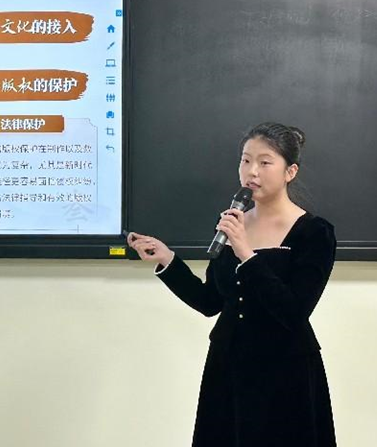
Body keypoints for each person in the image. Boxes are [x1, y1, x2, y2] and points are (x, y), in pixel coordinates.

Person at [127, 122, 336, 447]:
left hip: (284, 371)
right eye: (245, 160)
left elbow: (294, 311)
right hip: (228, 366)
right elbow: (210, 301)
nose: (252, 171)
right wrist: (168, 261)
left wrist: (246, 253)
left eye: (265, 162)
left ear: (290, 171)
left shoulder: (314, 232)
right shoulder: (233, 223)